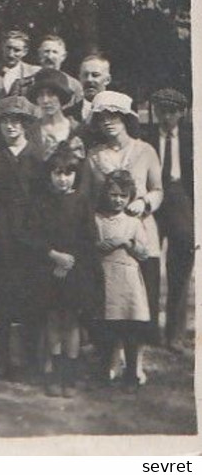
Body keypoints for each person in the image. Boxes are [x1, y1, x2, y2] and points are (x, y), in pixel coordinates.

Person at [87, 91, 163, 374]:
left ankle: (135, 365)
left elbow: (158, 189)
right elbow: (86, 196)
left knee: (136, 303)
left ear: (126, 119)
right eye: (103, 118)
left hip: (140, 231)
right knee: (107, 302)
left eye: (115, 116)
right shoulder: (94, 156)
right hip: (106, 234)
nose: (109, 123)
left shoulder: (145, 151)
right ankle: (110, 361)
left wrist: (144, 202)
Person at [0, 94, 45, 380]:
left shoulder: (37, 158)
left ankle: (30, 362)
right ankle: (2, 361)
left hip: (29, 237)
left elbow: (44, 203)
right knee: (1, 303)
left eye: (16, 122)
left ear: (26, 125)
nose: (11, 127)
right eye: (5, 122)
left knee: (31, 301)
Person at [32, 143, 102, 396]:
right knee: (52, 319)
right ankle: (54, 371)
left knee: (71, 321)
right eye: (57, 173)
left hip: (75, 270)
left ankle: (69, 375)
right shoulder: (41, 202)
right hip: (48, 270)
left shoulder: (81, 202)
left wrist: (71, 260)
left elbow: (89, 237)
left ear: (76, 175)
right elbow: (32, 236)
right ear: (49, 174)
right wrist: (54, 256)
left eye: (68, 174)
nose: (63, 179)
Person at [144, 88, 194, 351]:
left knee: (181, 263)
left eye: (172, 111)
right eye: (161, 111)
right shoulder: (146, 137)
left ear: (182, 113)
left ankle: (175, 333)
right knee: (149, 263)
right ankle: (149, 330)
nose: (166, 117)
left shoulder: (192, 139)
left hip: (180, 197)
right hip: (152, 199)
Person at [94, 170, 151, 389]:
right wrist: (100, 246)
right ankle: (106, 370)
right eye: (113, 194)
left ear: (129, 198)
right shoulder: (97, 219)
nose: (117, 200)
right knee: (108, 326)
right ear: (106, 194)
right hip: (106, 278)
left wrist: (127, 244)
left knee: (130, 328)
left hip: (128, 281)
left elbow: (144, 253)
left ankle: (131, 375)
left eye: (123, 196)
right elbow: (87, 246)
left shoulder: (133, 222)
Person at [28, 68, 88, 165]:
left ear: (61, 96)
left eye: (51, 94)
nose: (45, 100)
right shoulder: (30, 132)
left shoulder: (78, 129)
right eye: (40, 95)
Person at [36, 35, 84, 108]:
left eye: (55, 52)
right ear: (39, 54)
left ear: (63, 56)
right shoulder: (26, 84)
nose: (49, 56)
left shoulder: (74, 86)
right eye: (46, 51)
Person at [71, 53, 112, 125]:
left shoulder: (119, 113)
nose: (89, 79)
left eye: (95, 75)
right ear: (79, 78)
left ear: (107, 80)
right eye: (85, 75)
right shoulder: (67, 114)